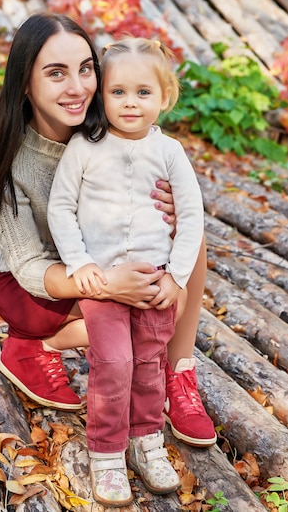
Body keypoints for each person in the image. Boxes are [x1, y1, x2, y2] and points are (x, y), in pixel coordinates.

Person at [0, 12, 215, 446]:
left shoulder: (111, 125)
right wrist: (108, 285)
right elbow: (28, 268)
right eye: (56, 73)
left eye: (85, 69)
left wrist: (167, 210)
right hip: (37, 289)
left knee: (187, 239)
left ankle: (178, 375)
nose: (77, 87)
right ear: (25, 82)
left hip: (97, 257)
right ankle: (35, 345)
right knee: (138, 306)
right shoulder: (6, 162)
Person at [47, 37, 204, 504]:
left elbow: (192, 216)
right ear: (101, 97)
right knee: (113, 362)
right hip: (102, 283)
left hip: (156, 283)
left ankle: (145, 441)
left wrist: (176, 276)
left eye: (143, 93)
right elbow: (61, 208)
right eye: (117, 93)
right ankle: (107, 452)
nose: (130, 103)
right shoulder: (85, 147)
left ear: (164, 98)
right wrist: (81, 263)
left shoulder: (171, 152)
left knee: (149, 365)